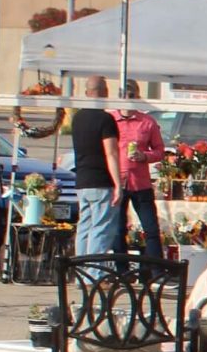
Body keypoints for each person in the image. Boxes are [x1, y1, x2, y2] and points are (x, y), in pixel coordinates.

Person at [67, 78, 121, 258]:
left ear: (86, 93)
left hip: (82, 180)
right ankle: (94, 271)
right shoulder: (106, 119)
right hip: (101, 181)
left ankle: (80, 267)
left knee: (84, 226)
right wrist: (118, 184)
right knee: (101, 228)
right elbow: (111, 153)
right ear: (105, 92)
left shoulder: (77, 118)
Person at [112, 90, 166, 266]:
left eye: (132, 97)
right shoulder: (111, 120)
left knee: (151, 229)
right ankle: (122, 271)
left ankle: (156, 271)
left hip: (140, 183)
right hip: (117, 183)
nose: (128, 101)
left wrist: (144, 156)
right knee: (118, 230)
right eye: (126, 97)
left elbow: (160, 151)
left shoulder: (147, 122)